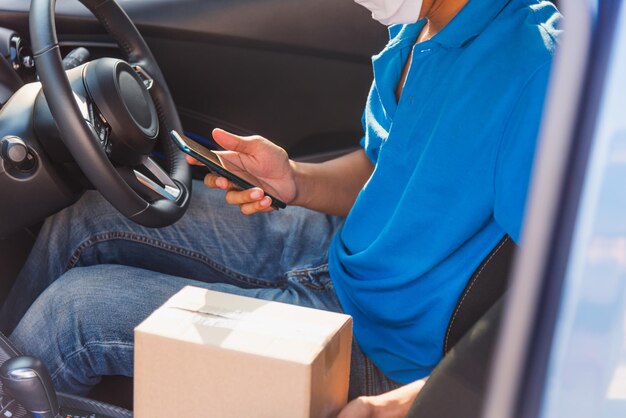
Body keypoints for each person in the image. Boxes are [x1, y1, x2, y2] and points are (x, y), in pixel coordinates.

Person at [0, 0, 560, 416]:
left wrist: (411, 403)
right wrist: (294, 180)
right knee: (90, 218)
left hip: (387, 348)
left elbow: (569, 305)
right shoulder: (416, 29)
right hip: (340, 253)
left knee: (73, 314)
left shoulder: (537, 73)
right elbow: (382, 166)